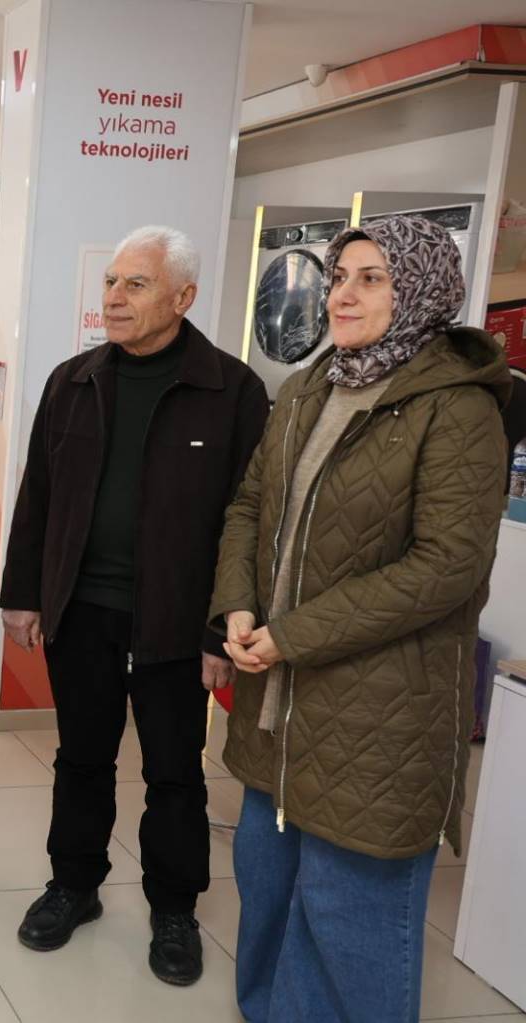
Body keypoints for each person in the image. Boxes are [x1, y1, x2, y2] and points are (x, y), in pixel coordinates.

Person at [212, 215, 511, 1023]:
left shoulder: (457, 409)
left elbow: (445, 566)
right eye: (340, 276)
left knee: (351, 926)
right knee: (268, 890)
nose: (343, 294)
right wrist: (237, 603)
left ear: (421, 290)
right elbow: (249, 506)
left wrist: (292, 634)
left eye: (371, 278)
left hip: (378, 720)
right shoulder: (308, 387)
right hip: (277, 712)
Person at [0, 226, 269, 986]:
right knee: (81, 757)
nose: (114, 298)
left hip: (177, 620)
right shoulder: (74, 380)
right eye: (111, 282)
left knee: (174, 771)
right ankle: (73, 885)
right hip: (82, 609)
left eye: (136, 284)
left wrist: (223, 625)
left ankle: (174, 909)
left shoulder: (232, 391)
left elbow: (251, 520)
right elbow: (38, 495)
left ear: (183, 297)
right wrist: (22, 592)